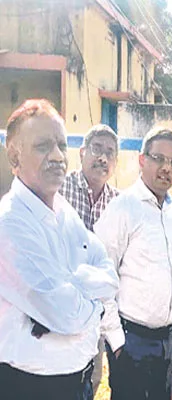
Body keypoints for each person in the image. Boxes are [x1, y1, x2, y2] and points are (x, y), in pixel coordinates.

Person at [0, 99, 119, 399]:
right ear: (14, 158)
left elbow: (109, 274)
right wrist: (99, 306)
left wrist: (71, 281)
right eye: (42, 146)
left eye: (61, 146)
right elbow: (65, 313)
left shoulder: (64, 212)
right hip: (29, 388)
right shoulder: (10, 223)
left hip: (77, 385)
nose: (57, 156)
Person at [95, 127, 172, 399]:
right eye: (158, 159)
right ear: (141, 160)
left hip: (168, 342)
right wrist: (116, 342)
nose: (166, 168)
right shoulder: (123, 208)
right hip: (132, 342)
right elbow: (101, 279)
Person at [59, 124, 120, 396]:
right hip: (57, 309)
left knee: (91, 382)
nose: (103, 158)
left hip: (96, 315)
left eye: (110, 153)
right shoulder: (59, 189)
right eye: (97, 149)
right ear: (82, 152)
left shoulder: (118, 203)